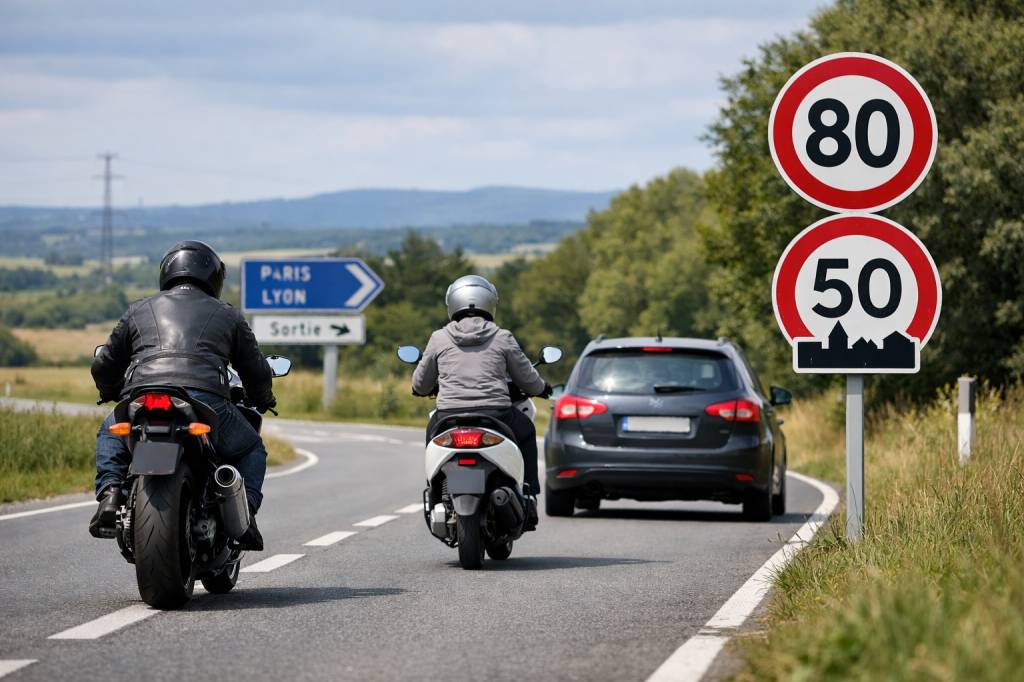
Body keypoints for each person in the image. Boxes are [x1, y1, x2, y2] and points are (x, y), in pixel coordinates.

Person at [89, 241, 275, 550]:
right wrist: (263, 397)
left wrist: (109, 391)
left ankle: (110, 494)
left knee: (109, 432)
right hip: (205, 399)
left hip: (142, 396)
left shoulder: (139, 309)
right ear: (213, 277)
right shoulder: (228, 315)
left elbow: (105, 362)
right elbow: (254, 369)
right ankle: (245, 517)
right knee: (252, 449)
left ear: (167, 273)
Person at [411, 275, 552, 528]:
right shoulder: (502, 336)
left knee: (431, 437)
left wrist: (423, 389)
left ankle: (434, 493)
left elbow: (420, 384)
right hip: (496, 414)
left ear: (452, 303)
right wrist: (542, 389)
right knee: (527, 431)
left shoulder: (438, 338)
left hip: (448, 416)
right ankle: (528, 495)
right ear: (490, 303)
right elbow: (526, 377)